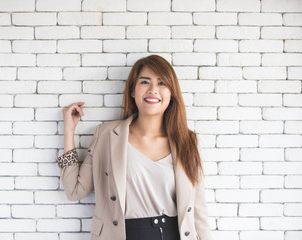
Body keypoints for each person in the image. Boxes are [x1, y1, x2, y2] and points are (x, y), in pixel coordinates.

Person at [58, 55, 212, 240]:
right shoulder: (107, 136)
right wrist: (68, 131)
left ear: (172, 93)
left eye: (162, 83)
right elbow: (75, 190)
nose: (153, 89)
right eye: (145, 82)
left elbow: (198, 211)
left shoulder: (188, 141)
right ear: (133, 90)